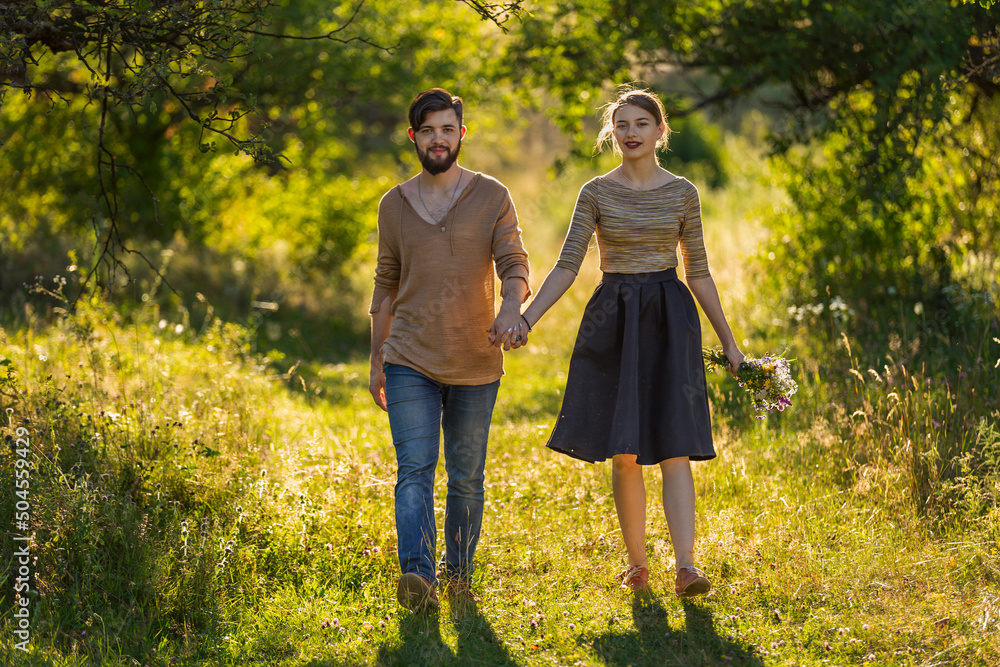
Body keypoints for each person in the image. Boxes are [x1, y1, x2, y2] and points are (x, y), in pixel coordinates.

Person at [509, 87, 744, 597]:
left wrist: (729, 342)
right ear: (611, 133)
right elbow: (568, 265)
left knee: (676, 447)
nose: (631, 133)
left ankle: (686, 566)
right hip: (613, 319)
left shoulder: (682, 193)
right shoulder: (595, 192)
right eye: (622, 125)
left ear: (661, 130)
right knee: (625, 453)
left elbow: (699, 272)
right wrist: (527, 318)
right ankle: (637, 565)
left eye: (641, 123)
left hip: (670, 318)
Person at [369, 88, 531, 612]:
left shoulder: (492, 195)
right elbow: (386, 282)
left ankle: (457, 575)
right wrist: (377, 357)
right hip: (408, 357)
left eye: (446, 130)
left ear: (461, 135)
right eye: (427, 131)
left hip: (475, 358)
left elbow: (514, 261)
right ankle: (419, 577)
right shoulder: (393, 205)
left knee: (466, 477)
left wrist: (511, 307)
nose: (437, 139)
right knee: (414, 468)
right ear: (413, 137)